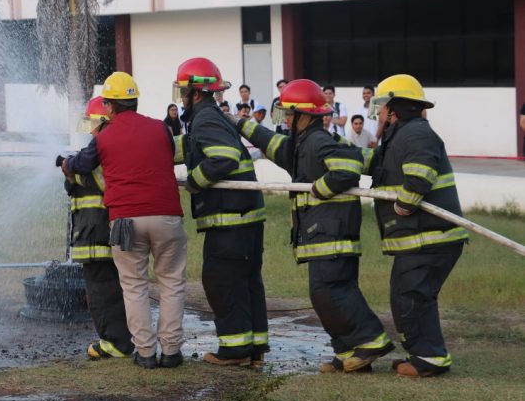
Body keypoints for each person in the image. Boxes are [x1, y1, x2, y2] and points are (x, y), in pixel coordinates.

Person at [235, 79, 393, 373]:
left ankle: (371, 339)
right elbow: (270, 142)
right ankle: (347, 351)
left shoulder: (317, 141)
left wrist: (321, 188)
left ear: (305, 116)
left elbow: (348, 169)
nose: (286, 120)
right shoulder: (301, 145)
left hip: (332, 233)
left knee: (331, 290)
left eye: (290, 114)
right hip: (320, 232)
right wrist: (238, 123)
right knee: (323, 293)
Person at [63, 72, 187, 370]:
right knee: (171, 283)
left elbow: (82, 163)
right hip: (167, 215)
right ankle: (171, 352)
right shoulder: (160, 129)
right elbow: (169, 153)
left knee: (134, 286)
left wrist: (66, 164)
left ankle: (145, 353)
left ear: (109, 106)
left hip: (126, 220)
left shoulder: (105, 137)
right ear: (135, 101)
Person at [365, 74, 468, 378]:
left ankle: (429, 359)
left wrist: (403, 205)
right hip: (424, 237)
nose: (379, 113)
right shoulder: (401, 135)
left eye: (382, 107)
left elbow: (420, 175)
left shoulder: (416, 134)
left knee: (411, 295)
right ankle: (424, 354)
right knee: (411, 295)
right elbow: (376, 164)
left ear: (394, 108)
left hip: (430, 236)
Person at [172, 57, 269, 367]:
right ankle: (254, 348)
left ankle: (235, 350)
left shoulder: (205, 119)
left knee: (222, 281)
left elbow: (224, 157)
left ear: (195, 93)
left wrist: (195, 181)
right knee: (246, 282)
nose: (181, 98)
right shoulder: (210, 117)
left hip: (230, 220)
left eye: (184, 91)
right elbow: (192, 147)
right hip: (244, 218)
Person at [66, 96, 133, 360]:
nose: (92, 132)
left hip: (98, 234)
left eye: (94, 125)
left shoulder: (104, 152)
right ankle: (121, 339)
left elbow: (103, 180)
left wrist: (72, 170)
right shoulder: (111, 149)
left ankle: (115, 343)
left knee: (103, 292)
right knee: (113, 288)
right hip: (100, 231)